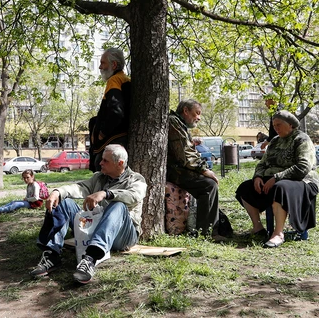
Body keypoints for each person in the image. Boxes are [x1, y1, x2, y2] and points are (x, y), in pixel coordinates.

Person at [30, 144, 147, 284]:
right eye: (102, 159)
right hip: (97, 227)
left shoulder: (136, 179)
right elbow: (80, 187)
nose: (100, 163)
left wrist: (106, 193)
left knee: (118, 205)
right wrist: (58, 192)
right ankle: (52, 254)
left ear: (120, 163)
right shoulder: (99, 177)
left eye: (105, 161)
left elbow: (134, 195)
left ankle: (90, 259)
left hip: (123, 236)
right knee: (63, 202)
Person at [236, 110, 319, 248]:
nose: (276, 128)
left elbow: (303, 167)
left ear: (291, 125)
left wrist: (277, 177)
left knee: (279, 188)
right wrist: (257, 177)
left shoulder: (301, 139)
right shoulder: (274, 141)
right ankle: (258, 228)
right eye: (274, 125)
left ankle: (278, 233)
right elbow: (262, 163)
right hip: (274, 179)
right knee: (245, 188)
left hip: (302, 181)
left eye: (279, 125)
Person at [167, 99, 221, 238]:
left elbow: (189, 152)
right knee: (209, 185)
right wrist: (204, 170)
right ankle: (207, 232)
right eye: (196, 113)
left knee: (209, 185)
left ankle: (208, 229)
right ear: (185, 111)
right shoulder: (174, 122)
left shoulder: (180, 124)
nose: (199, 117)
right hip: (175, 171)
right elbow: (185, 154)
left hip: (179, 169)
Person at [89, 48, 131, 172]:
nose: (100, 67)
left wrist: (102, 133)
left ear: (113, 64)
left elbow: (116, 112)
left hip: (111, 143)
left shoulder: (114, 80)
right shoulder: (124, 80)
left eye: (103, 63)